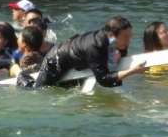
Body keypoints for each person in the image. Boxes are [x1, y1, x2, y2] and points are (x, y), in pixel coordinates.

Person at [18, 16, 147, 89]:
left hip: (73, 59)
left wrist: (118, 52)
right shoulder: (95, 46)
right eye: (125, 37)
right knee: (36, 90)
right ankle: (21, 75)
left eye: (130, 37)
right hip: (55, 60)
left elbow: (121, 52)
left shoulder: (111, 38)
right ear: (112, 34)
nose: (128, 41)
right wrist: (132, 71)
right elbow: (103, 79)